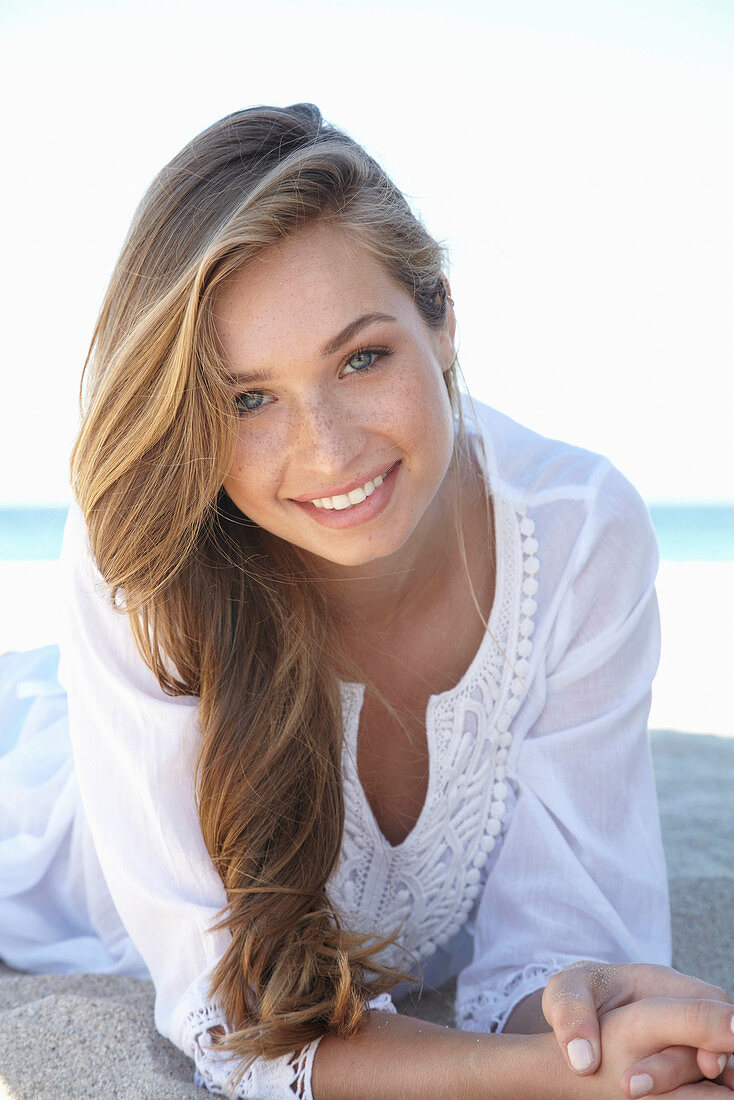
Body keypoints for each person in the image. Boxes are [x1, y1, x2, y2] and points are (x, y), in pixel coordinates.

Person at [0, 104, 732, 1100]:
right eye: (248, 399)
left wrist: (592, 1024)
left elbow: (552, 951)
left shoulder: (577, 533)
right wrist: (546, 1079)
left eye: (360, 357)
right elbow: (236, 1025)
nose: (332, 450)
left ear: (439, 320)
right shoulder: (145, 559)